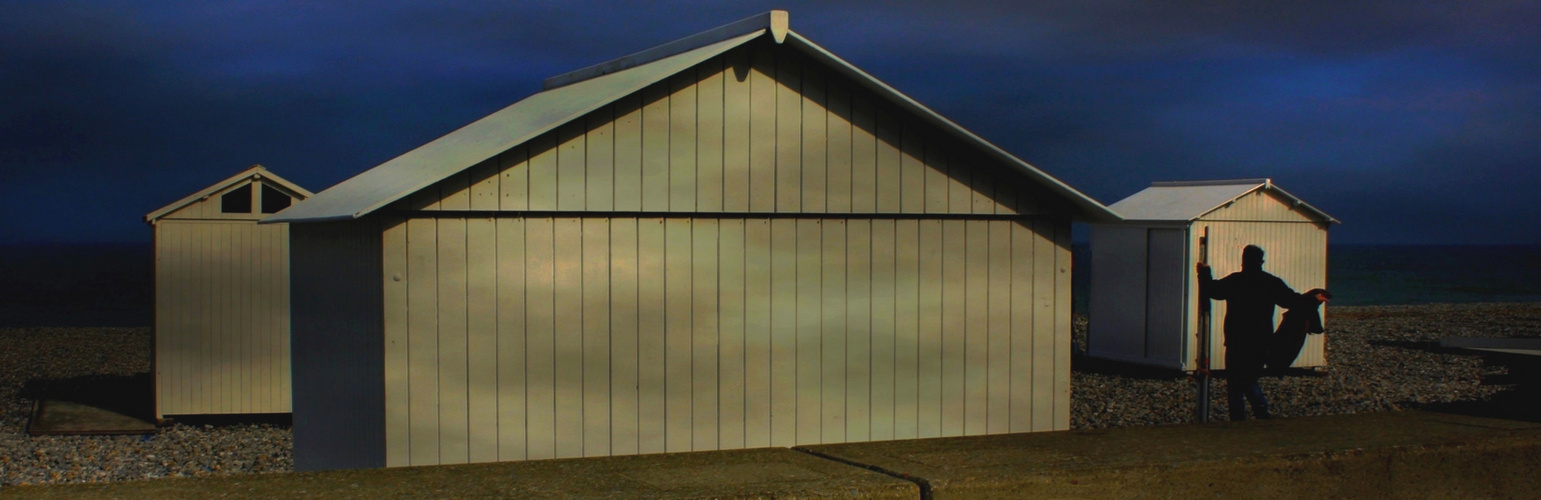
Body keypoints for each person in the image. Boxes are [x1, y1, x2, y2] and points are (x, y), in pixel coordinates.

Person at [1197, 245, 1329, 421]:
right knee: (1249, 379)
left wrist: (1204, 272)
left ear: (1243, 261)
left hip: (1236, 339)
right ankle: (1261, 412)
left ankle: (1239, 418)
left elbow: (1212, 290)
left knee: (1235, 383)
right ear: (1262, 261)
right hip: (1261, 340)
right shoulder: (1270, 282)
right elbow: (1292, 301)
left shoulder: (1236, 280)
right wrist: (1314, 299)